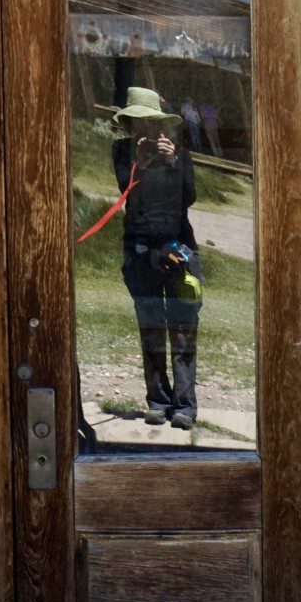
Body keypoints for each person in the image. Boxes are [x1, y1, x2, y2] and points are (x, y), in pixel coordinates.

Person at [110, 87, 202, 429]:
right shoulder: (122, 151)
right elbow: (125, 189)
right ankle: (157, 401)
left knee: (182, 328)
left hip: (178, 249)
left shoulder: (180, 154)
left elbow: (188, 197)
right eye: (134, 122)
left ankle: (185, 406)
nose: (141, 129)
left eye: (146, 122)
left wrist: (172, 161)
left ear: (158, 123)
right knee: (150, 328)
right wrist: (143, 163)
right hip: (140, 252)